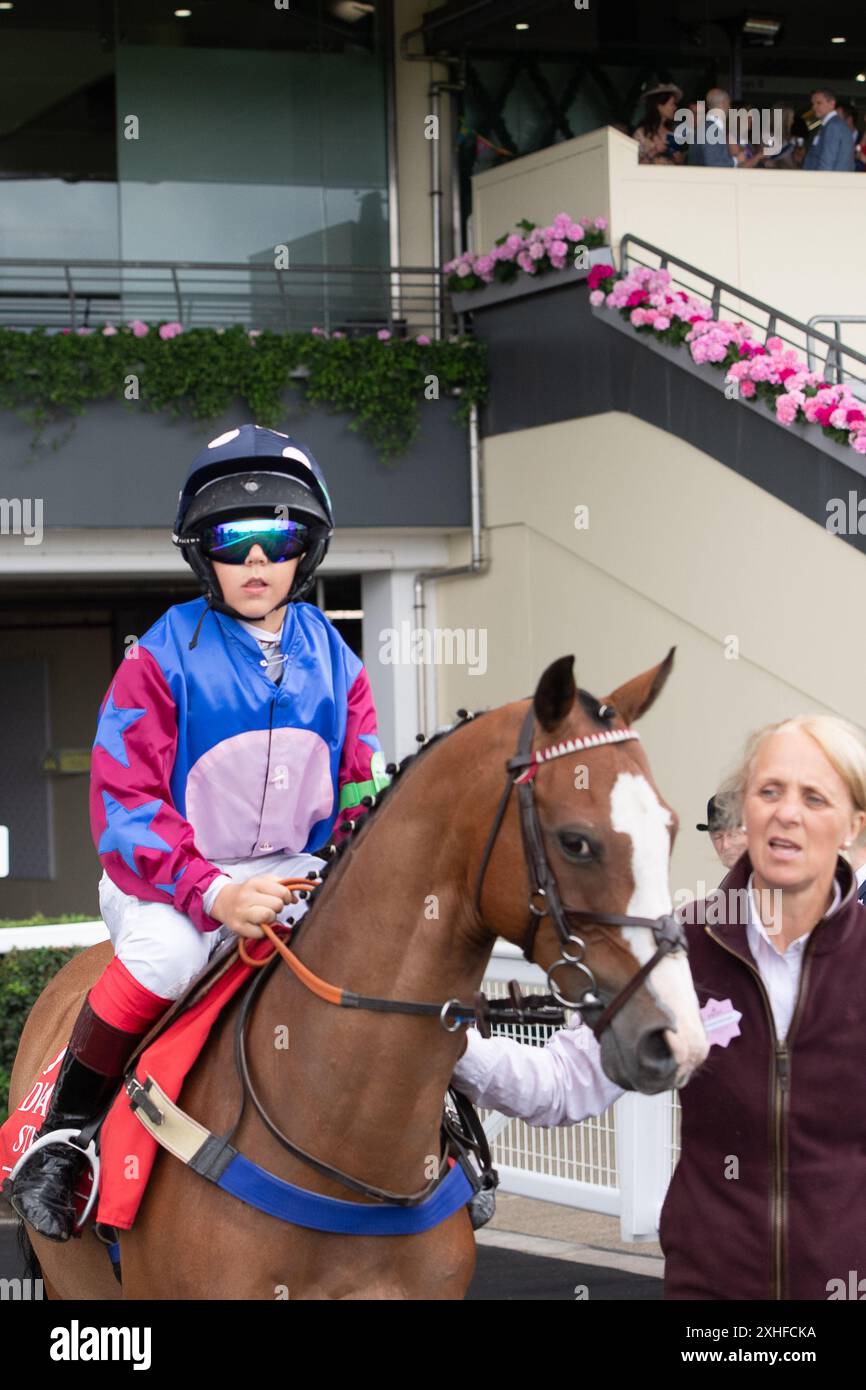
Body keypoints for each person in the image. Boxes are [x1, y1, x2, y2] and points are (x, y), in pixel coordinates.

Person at [6, 424, 391, 1241]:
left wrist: (362, 846)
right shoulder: (158, 657)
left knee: (381, 956)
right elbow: (125, 803)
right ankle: (63, 1139)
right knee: (170, 959)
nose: (257, 560)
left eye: (278, 537)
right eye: (233, 539)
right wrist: (213, 891)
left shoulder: (339, 661)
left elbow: (360, 784)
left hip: (293, 867)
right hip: (173, 881)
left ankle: (442, 1139)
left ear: (306, 550)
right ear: (202, 553)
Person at [452, 713, 866, 1299]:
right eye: (769, 791)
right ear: (744, 810)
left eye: (815, 797)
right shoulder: (679, 947)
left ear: (853, 826)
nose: (787, 813)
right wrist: (444, 1042)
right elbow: (563, 1084)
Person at [632, 84, 686, 165]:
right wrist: (654, 151)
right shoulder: (641, 133)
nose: (675, 108)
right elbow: (632, 165)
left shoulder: (674, 132)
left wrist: (679, 160)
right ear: (659, 106)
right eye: (671, 104)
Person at [803, 89, 855, 171]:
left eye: (819, 103)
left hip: (827, 180)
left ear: (832, 104)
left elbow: (827, 160)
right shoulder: (829, 125)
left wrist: (820, 181)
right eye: (813, 103)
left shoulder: (833, 126)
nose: (814, 107)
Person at [696, 792, 748, 869]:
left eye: (733, 835)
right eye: (717, 837)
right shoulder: (734, 880)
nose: (725, 845)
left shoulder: (767, 878)